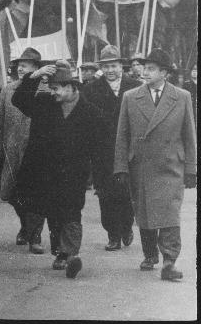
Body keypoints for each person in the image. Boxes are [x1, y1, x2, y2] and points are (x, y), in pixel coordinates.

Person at [12, 60, 107, 279]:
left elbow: (100, 147)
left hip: (75, 173)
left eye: (55, 88)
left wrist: (99, 176)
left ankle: (70, 254)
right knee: (55, 213)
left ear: (70, 87)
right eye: (50, 88)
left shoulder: (91, 112)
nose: (52, 92)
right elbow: (18, 99)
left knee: (72, 212)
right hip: (46, 172)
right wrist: (34, 76)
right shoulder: (44, 104)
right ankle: (60, 253)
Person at [114, 48, 197, 281]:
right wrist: (120, 166)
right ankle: (150, 254)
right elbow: (123, 135)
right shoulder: (131, 97)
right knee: (146, 212)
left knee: (170, 214)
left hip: (172, 167)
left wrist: (192, 168)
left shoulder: (182, 97)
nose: (144, 72)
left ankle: (170, 261)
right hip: (140, 165)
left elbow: (190, 135)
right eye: (144, 68)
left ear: (164, 72)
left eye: (150, 68)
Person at [0, 47, 52, 254]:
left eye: (25, 65)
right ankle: (26, 225)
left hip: (37, 153)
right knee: (12, 194)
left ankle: (35, 235)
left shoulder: (47, 88)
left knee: (37, 194)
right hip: (12, 152)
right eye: (19, 65)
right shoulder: (8, 90)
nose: (20, 69)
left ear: (37, 68)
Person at [81, 45, 141, 251]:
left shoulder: (136, 87)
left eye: (114, 65)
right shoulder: (90, 90)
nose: (110, 70)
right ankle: (113, 234)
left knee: (126, 193)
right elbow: (87, 122)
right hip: (102, 151)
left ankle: (126, 227)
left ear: (121, 66)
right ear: (101, 68)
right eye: (106, 66)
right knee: (105, 194)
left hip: (128, 151)